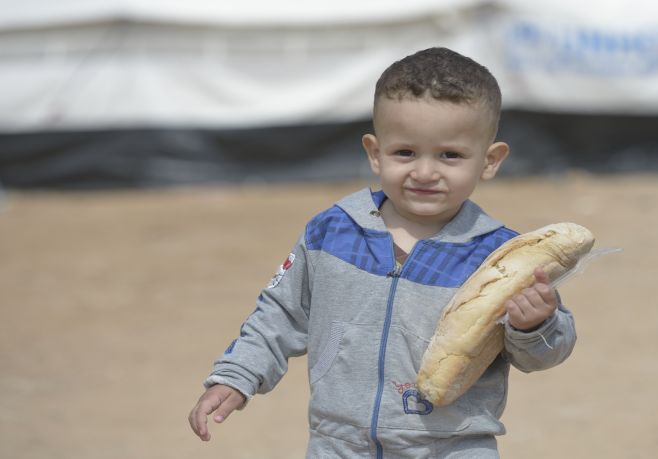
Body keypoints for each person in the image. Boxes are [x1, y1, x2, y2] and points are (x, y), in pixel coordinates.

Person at [188, 47, 576, 458]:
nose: (424, 172)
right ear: (375, 153)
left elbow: (545, 354)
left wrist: (536, 324)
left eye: (450, 155)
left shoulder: (501, 257)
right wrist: (236, 376)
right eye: (405, 152)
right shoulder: (332, 231)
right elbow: (279, 314)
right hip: (338, 444)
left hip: (453, 447)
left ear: (490, 160)